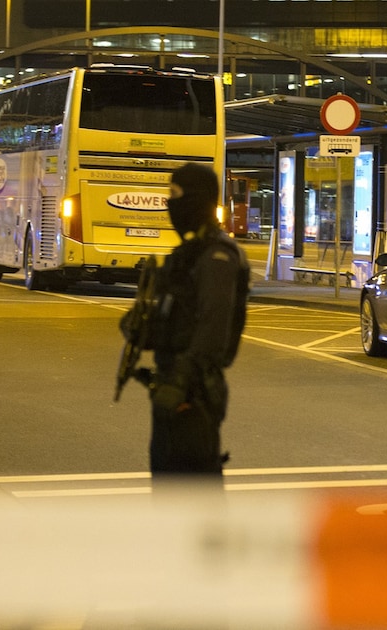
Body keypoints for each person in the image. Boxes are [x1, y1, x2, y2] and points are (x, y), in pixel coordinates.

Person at [134, 162, 250, 486]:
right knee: (168, 486)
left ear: (196, 199)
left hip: (193, 394)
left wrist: (181, 382)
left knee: (194, 493)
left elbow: (214, 328)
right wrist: (143, 328)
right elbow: (177, 318)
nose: (170, 204)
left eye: (176, 195)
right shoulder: (187, 253)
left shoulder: (217, 256)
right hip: (172, 389)